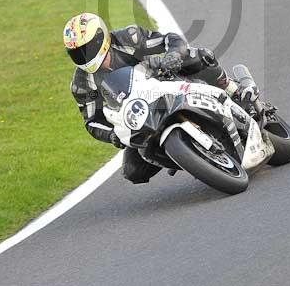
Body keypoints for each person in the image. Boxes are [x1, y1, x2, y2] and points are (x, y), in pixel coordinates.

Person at [63, 12, 259, 184]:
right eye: (77, 53)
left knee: (198, 56)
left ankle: (234, 90)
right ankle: (191, 157)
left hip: (164, 80)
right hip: (139, 116)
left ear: (101, 38)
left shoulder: (128, 38)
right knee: (133, 171)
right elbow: (93, 121)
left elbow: (169, 40)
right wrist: (112, 135)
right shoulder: (82, 83)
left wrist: (173, 55)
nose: (84, 56)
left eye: (88, 48)